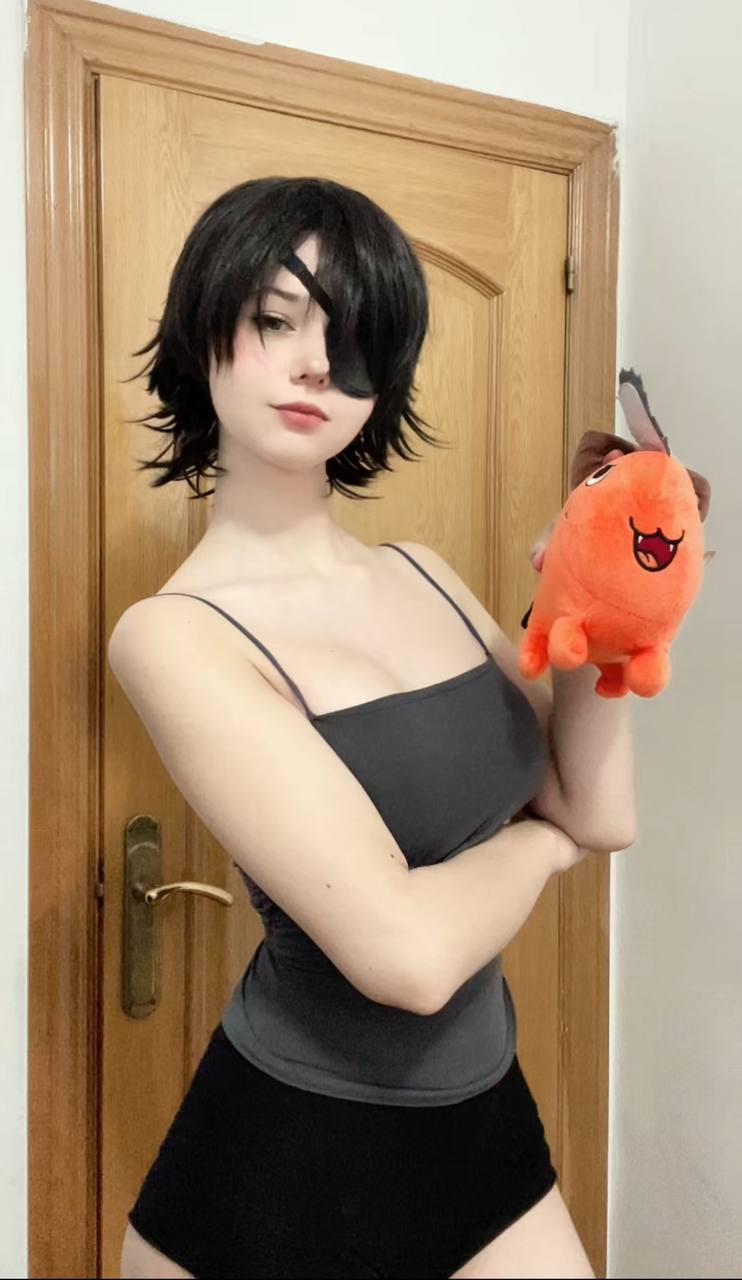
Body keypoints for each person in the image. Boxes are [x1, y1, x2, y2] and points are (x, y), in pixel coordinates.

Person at [110, 177, 596, 1279]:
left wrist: (603, 606)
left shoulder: (423, 571)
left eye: (352, 336)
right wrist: (541, 845)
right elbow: (408, 958)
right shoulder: (172, 634)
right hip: (283, 1176)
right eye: (275, 320)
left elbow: (596, 803)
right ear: (203, 333)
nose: (315, 364)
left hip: (486, 1127)